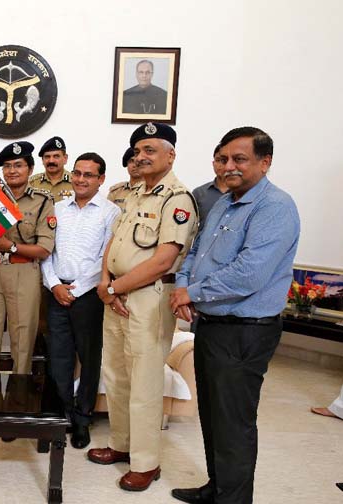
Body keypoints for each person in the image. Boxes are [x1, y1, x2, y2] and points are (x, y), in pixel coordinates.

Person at [170, 127, 300, 504]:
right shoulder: (226, 202)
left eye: (239, 159)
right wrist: (183, 287)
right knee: (211, 417)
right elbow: (195, 253)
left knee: (234, 424)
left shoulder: (274, 207)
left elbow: (250, 273)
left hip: (245, 331)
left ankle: (234, 499)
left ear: (265, 162)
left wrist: (190, 292)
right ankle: (218, 487)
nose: (229, 166)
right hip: (211, 325)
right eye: (224, 158)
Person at [87, 122, 198, 492]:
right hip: (115, 296)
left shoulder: (176, 200)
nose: (142, 156)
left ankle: (147, 463)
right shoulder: (135, 193)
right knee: (116, 375)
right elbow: (114, 243)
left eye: (151, 150)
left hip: (148, 300)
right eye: (138, 151)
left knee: (145, 383)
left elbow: (164, 260)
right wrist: (106, 284)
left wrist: (115, 286)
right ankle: (122, 444)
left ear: (170, 155)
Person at [40, 152, 120, 449]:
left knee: (89, 359)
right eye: (77, 173)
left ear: (101, 180)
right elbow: (46, 250)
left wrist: (77, 288)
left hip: (89, 297)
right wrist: (54, 285)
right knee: (59, 358)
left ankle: (83, 418)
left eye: (89, 175)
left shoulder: (111, 213)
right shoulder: (57, 208)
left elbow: (106, 257)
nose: (81, 179)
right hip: (56, 293)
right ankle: (64, 415)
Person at [0, 141, 55, 375]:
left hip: (24, 273)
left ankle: (20, 404)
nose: (12, 171)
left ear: (30, 169)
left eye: (18, 165)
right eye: (7, 166)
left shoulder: (43, 201)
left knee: (22, 344)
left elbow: (44, 249)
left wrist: (8, 247)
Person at [29, 136, 74, 201]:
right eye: (47, 157)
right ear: (42, 160)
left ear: (65, 158)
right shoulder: (32, 183)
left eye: (56, 156)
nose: (51, 161)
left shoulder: (75, 182)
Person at [192, 144, 230, 222]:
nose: (220, 165)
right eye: (217, 160)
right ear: (213, 163)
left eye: (224, 161)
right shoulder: (199, 193)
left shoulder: (243, 193)